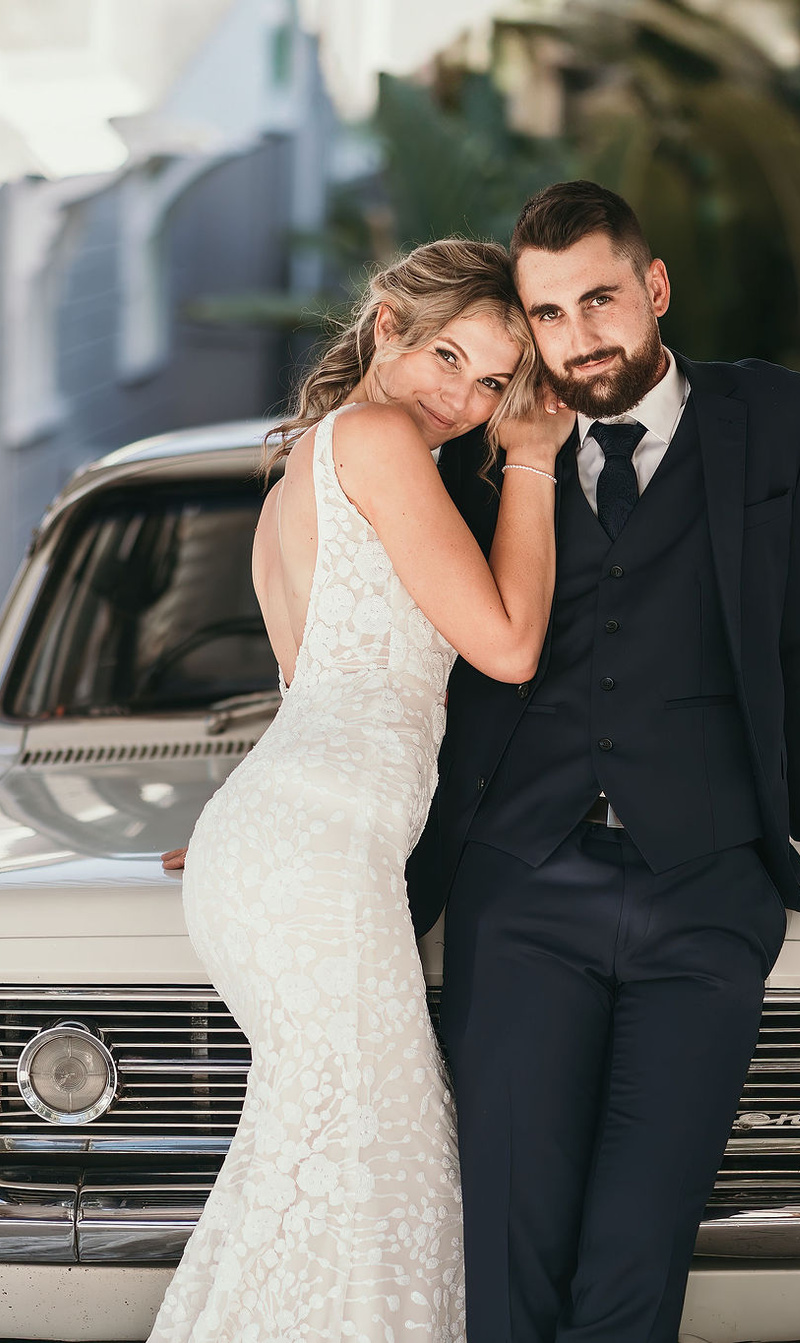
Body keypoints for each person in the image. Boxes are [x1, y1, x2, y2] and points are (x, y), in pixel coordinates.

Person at [406, 181, 800, 1343]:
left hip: (706, 886)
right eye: (546, 314)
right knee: (507, 1247)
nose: (575, 338)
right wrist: (292, 796)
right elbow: (398, 638)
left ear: (653, 288)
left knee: (636, 1255)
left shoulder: (777, 417)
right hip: (522, 886)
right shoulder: (487, 441)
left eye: (597, 300)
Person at [149, 237, 572, 1342]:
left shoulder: (306, 467)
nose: (464, 400)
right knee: (385, 1164)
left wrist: (269, 834)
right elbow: (510, 644)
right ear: (385, 324)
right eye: (447, 357)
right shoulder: (380, 438)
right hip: (310, 850)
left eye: (493, 385)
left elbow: (324, 695)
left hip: (286, 838)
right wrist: (531, 457)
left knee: (325, 1162)